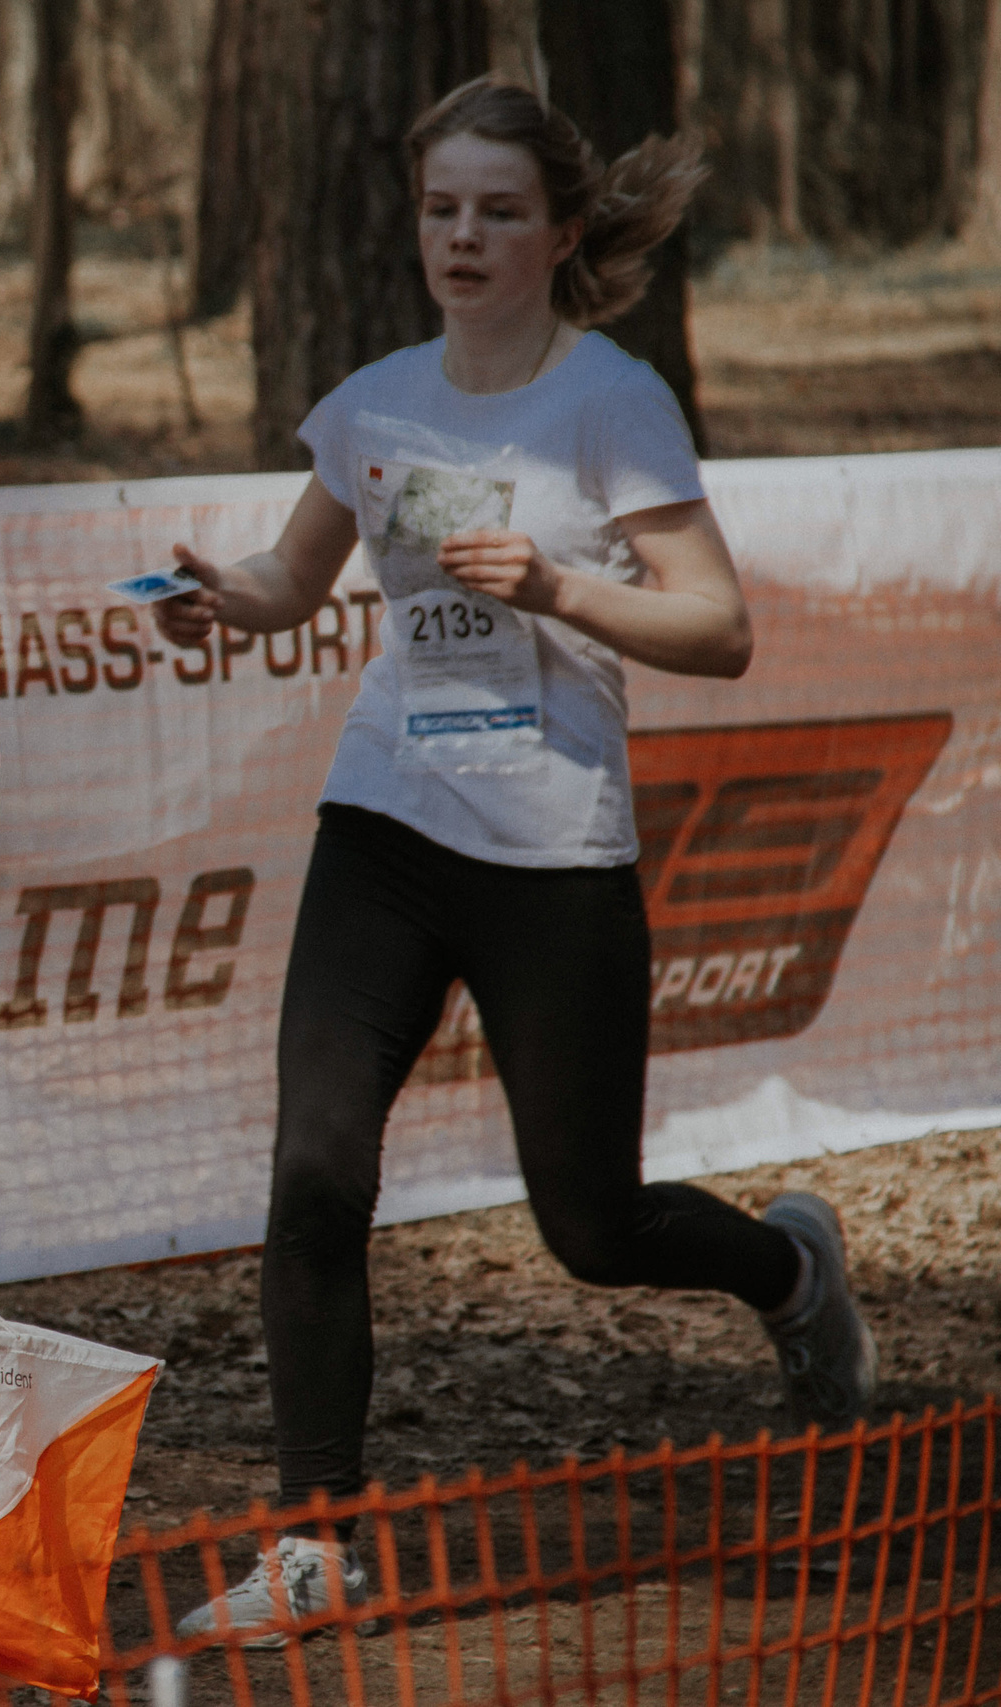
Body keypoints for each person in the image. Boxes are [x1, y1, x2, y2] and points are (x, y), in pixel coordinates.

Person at [152, 77, 878, 1645]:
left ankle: (791, 1272)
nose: (462, 238)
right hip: (387, 823)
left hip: (551, 842)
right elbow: (297, 574)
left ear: (557, 233)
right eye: (440, 210)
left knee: (591, 1225)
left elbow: (722, 629)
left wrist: (555, 580)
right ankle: (315, 1541)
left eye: (495, 211)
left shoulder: (610, 401)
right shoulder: (373, 405)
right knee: (315, 1170)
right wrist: (224, 596)